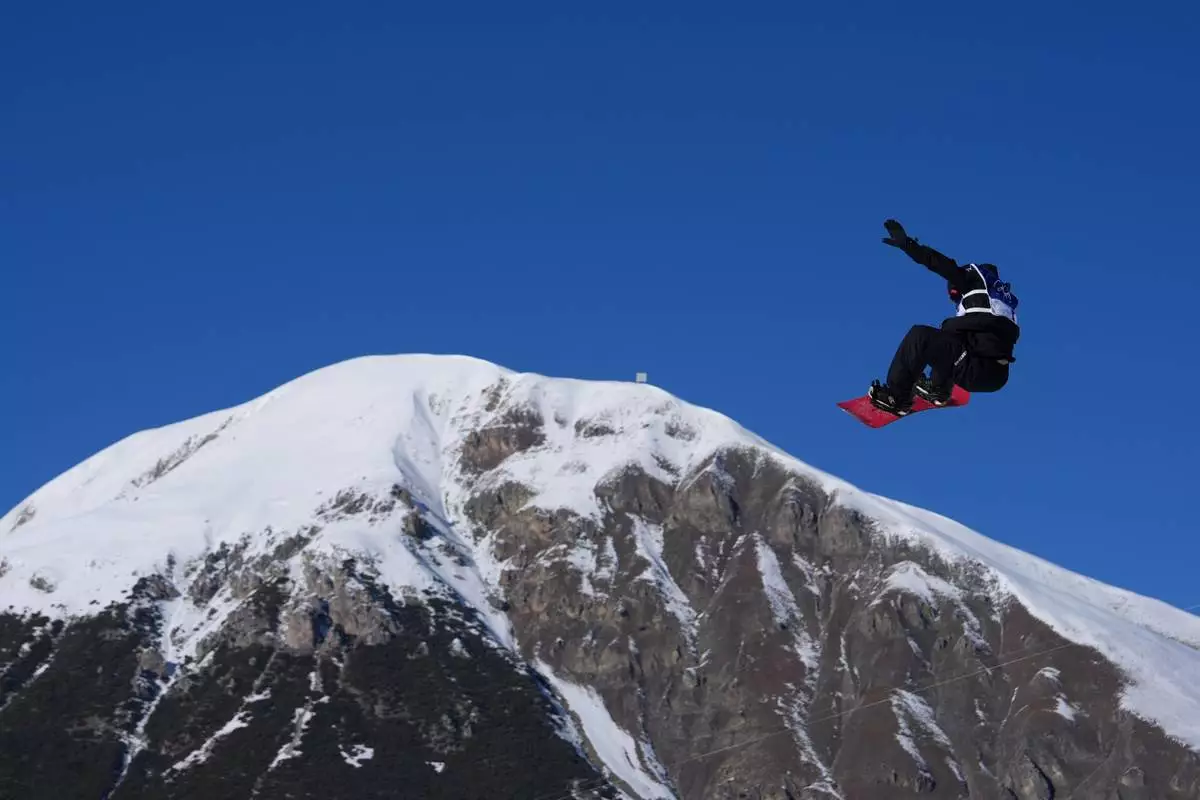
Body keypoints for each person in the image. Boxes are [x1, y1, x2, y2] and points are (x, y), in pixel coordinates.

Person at [868, 219, 1020, 415]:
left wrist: (909, 246)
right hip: (997, 375)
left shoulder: (972, 280)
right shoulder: (1000, 302)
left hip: (976, 368)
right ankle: (938, 388)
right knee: (946, 338)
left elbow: (942, 265)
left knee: (920, 336)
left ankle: (897, 398)